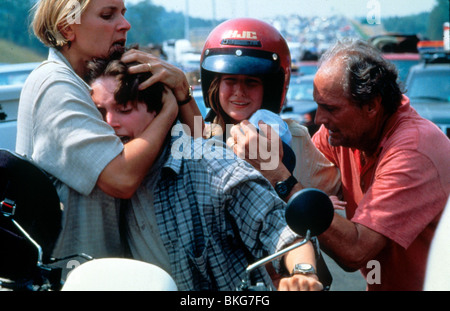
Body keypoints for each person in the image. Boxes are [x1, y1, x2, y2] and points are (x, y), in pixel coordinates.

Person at [87, 57, 324, 291]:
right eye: (99, 111)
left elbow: (282, 227)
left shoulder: (211, 164)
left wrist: (304, 275)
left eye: (124, 110)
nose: (109, 122)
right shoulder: (99, 173)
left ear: (158, 110)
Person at [15, 0, 201, 274]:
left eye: (123, 13)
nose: (125, 24)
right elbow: (121, 178)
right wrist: (168, 110)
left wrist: (183, 93)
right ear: (67, 28)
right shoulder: (54, 85)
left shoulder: (100, 82)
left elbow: (200, 150)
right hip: (74, 279)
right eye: (107, 15)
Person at [311, 39, 450, 291]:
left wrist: (287, 184)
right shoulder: (340, 133)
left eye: (330, 108)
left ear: (372, 106)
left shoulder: (413, 149)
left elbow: (355, 250)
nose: (320, 119)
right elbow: (304, 180)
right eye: (319, 105)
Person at [200, 18, 341, 200]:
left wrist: (312, 200)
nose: (239, 92)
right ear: (214, 85)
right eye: (230, 80)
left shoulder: (294, 137)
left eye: (251, 82)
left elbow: (333, 193)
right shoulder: (199, 137)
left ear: (270, 90)